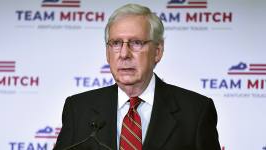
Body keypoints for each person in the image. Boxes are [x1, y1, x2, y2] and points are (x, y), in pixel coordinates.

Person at [54, 3, 221, 150]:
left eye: (136, 43)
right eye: (116, 43)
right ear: (107, 52)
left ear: (157, 52)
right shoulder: (78, 109)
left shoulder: (195, 111)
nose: (124, 54)